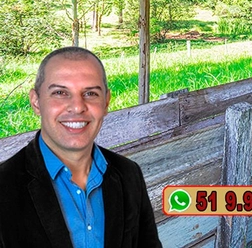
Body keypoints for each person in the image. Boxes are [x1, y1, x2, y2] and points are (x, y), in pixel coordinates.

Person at [0, 47, 162, 248]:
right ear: (36, 102)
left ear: (106, 102)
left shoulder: (129, 174)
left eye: (90, 93)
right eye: (60, 93)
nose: (77, 107)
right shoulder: (4, 187)